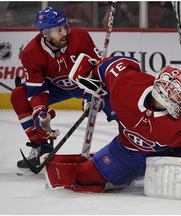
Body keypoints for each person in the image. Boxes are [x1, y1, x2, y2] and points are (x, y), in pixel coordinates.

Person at [43, 54, 181, 203]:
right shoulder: (129, 87)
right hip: (126, 152)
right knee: (85, 177)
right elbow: (111, 66)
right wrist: (92, 79)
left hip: (165, 154)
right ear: (158, 95)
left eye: (180, 99)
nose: (178, 105)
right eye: (172, 100)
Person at [10, 7, 114, 170]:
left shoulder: (80, 37)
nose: (65, 32)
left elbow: (97, 70)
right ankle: (42, 147)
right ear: (45, 33)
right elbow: (37, 90)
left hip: (84, 85)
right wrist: (40, 113)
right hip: (56, 88)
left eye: (65, 26)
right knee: (18, 95)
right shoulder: (31, 53)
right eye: (58, 30)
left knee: (118, 101)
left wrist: (93, 96)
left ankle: (137, 143)